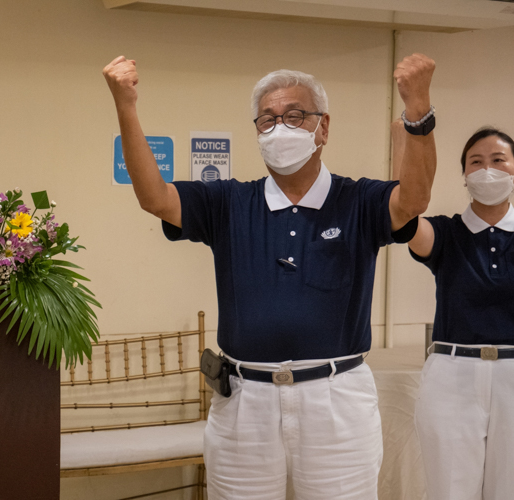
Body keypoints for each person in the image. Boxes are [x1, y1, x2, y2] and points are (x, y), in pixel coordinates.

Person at [103, 54, 436, 499]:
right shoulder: (229, 203)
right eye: (267, 120)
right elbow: (155, 198)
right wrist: (126, 106)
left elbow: (413, 199)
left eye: (294, 116)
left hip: (336, 401)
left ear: (323, 127)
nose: (280, 129)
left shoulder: (358, 200)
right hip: (245, 402)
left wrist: (418, 111)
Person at [393, 123, 514, 500]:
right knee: (450, 490)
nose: (487, 170)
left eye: (498, 160)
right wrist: (406, 146)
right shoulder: (446, 232)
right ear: (464, 175)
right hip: (453, 374)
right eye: (475, 162)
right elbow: (405, 221)